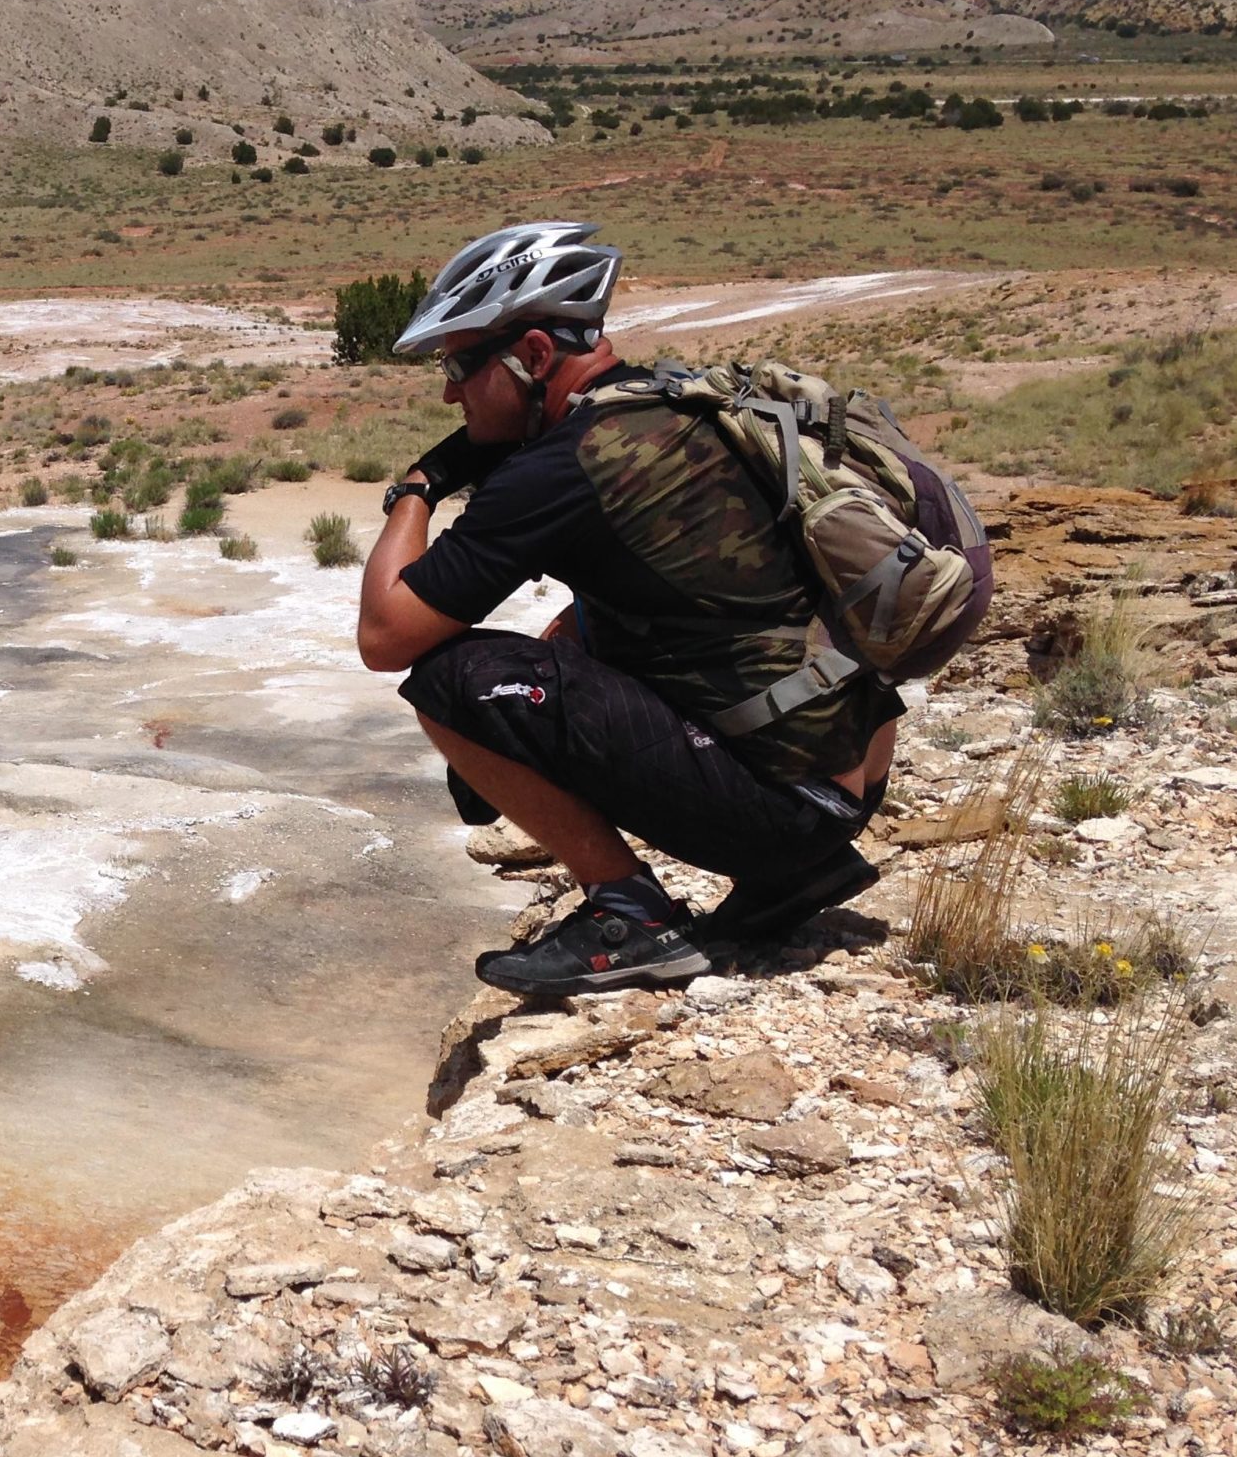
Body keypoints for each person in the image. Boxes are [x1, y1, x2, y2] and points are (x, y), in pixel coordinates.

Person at [354, 221, 897, 998]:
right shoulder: (670, 403)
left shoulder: (565, 465)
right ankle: (790, 877)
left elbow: (387, 634)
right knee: (574, 633)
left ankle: (631, 914)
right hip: (852, 772)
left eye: (459, 364)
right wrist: (511, 752)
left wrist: (417, 487)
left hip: (785, 807)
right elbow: (627, 615)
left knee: (452, 678)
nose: (449, 392)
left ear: (535, 356)